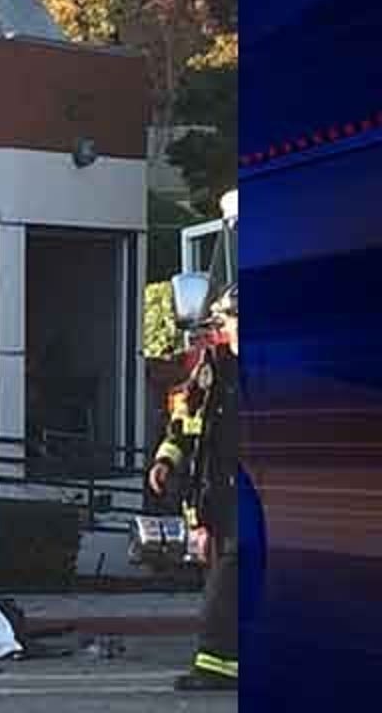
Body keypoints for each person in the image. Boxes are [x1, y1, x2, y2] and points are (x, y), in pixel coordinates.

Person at [148, 284, 239, 691]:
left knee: (232, 573)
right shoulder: (211, 368)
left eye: (225, 320)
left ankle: (216, 662)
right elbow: (184, 422)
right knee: (226, 574)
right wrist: (167, 460)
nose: (217, 329)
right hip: (217, 493)